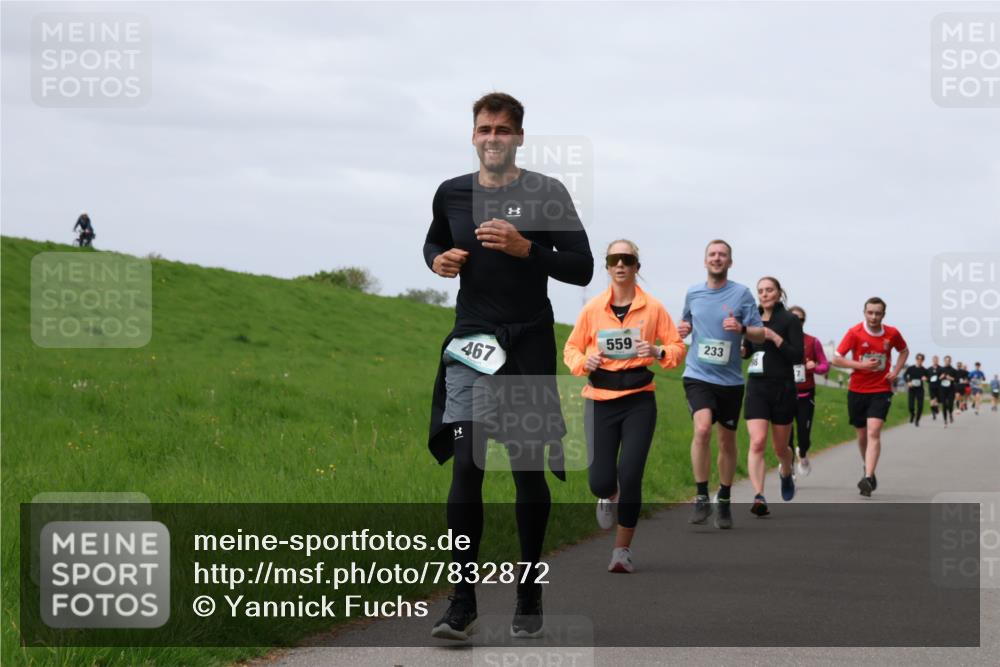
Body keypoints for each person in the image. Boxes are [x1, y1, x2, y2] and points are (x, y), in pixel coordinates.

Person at [423, 92, 593, 640]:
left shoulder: (546, 193)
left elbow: (583, 268)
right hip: (472, 345)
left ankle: (528, 590)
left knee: (524, 471)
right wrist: (437, 260)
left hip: (526, 347)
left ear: (519, 136)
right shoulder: (451, 193)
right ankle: (463, 601)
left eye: (502, 129)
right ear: (472, 136)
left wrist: (527, 250)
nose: (492, 137)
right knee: (468, 466)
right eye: (483, 129)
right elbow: (432, 239)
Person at [564, 239, 685, 572]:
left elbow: (675, 347)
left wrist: (659, 352)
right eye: (614, 259)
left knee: (630, 474)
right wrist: (584, 362)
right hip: (600, 400)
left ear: (636, 267)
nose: (620, 265)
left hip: (639, 399)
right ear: (607, 266)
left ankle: (622, 551)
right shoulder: (592, 310)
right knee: (600, 480)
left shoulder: (654, 309)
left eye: (627, 259)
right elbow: (571, 349)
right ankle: (607, 493)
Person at [677, 240, 765, 529]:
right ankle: (701, 495)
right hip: (698, 374)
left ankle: (724, 498)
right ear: (705, 261)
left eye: (722, 255)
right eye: (712, 254)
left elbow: (760, 335)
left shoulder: (741, 294)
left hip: (730, 380)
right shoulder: (693, 292)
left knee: (726, 441)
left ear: (730, 262)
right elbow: (686, 322)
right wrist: (684, 328)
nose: (717, 258)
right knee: (702, 429)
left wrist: (741, 329)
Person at [832, 297, 909, 497]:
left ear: (884, 314)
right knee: (862, 435)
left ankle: (867, 477)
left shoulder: (892, 333)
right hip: (857, 390)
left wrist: (896, 370)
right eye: (870, 312)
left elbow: (904, 351)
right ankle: (867, 464)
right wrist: (861, 365)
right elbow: (836, 358)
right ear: (864, 312)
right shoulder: (854, 333)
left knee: (874, 431)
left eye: (878, 313)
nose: (873, 317)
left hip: (881, 389)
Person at [741, 277, 804, 516]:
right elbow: (748, 351)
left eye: (769, 290)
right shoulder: (751, 319)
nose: (764, 294)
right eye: (761, 291)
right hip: (757, 387)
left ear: (779, 293)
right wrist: (742, 349)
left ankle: (786, 472)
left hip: (783, 388)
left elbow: (797, 356)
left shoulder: (789, 321)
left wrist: (775, 338)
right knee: (757, 442)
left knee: (780, 448)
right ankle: (759, 495)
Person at [788, 306, 829, 476]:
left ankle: (803, 454)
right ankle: (788, 469)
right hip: (784, 394)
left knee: (803, 437)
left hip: (806, 395)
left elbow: (825, 365)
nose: (797, 322)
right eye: (793, 318)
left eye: (801, 319)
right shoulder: (778, 340)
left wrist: (815, 367)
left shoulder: (813, 341)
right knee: (786, 437)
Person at [903, 354, 929, 427]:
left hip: (920, 390)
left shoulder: (924, 370)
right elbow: (904, 376)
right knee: (911, 406)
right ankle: (912, 414)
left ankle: (917, 420)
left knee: (920, 406)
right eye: (918, 359)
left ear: (923, 360)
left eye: (921, 359)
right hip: (912, 389)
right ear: (916, 359)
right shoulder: (911, 368)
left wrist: (926, 379)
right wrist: (908, 382)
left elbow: (929, 378)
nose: (919, 360)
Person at [940, 356, 957, 426]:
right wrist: (940, 377)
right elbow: (937, 379)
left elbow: (957, 380)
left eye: (949, 360)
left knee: (950, 404)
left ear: (950, 361)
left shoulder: (953, 370)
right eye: (946, 360)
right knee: (944, 405)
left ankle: (950, 414)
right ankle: (945, 420)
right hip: (943, 389)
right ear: (944, 361)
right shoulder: (941, 369)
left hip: (951, 389)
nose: (947, 362)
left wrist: (950, 378)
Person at [927, 355, 944, 421]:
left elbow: (944, 375)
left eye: (936, 360)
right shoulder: (929, 369)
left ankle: (936, 408)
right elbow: (927, 378)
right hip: (932, 386)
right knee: (932, 400)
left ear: (938, 361)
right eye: (934, 360)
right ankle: (933, 413)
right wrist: (927, 379)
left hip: (939, 386)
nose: (935, 361)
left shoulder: (941, 368)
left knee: (937, 401)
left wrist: (941, 377)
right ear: (932, 361)